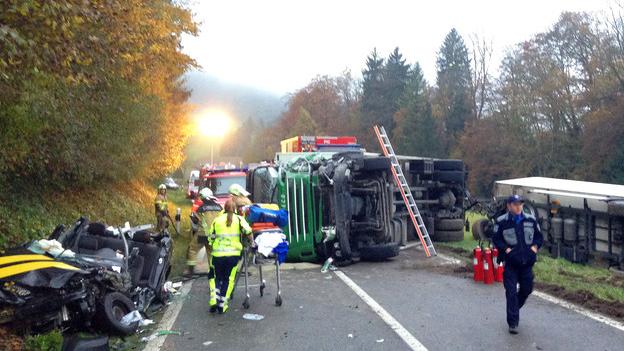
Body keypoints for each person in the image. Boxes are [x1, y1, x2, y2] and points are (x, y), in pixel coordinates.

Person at [492, 195, 543, 335]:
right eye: (515, 204)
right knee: (511, 292)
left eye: (520, 204)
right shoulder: (502, 222)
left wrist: (534, 248)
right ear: (509, 206)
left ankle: (514, 308)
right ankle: (513, 323)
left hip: (527, 262)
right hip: (511, 263)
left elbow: (539, 237)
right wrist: (506, 249)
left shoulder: (530, 220)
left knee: (527, 289)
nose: (518, 206)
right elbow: (496, 238)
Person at [207, 199, 253, 314]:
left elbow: (211, 237)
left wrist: (212, 245)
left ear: (224, 208)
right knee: (227, 279)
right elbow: (248, 231)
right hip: (233, 256)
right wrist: (252, 242)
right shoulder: (239, 219)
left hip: (218, 255)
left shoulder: (217, 220)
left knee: (217, 277)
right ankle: (222, 305)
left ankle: (214, 299)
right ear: (235, 209)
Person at [185, 188, 221, 277]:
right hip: (214, 235)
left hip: (202, 234)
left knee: (192, 249)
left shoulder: (201, 208)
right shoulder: (219, 207)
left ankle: (191, 271)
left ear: (204, 197)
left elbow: (195, 222)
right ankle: (213, 271)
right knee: (211, 252)